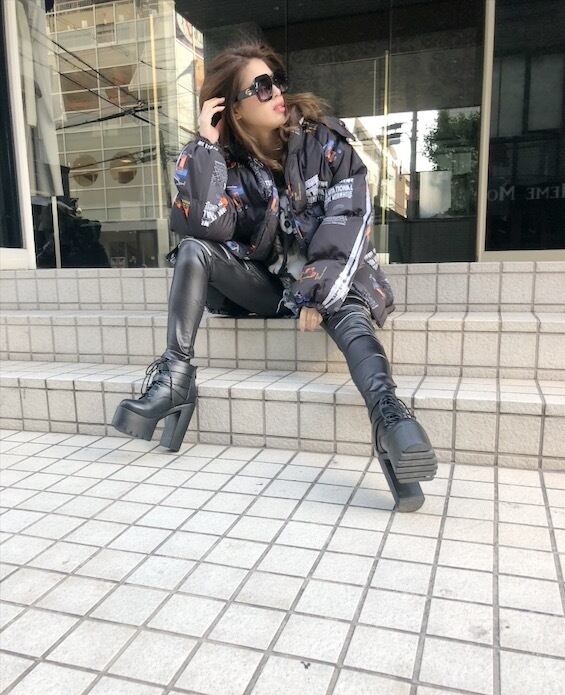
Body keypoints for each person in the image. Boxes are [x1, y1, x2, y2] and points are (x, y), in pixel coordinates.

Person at [111, 41, 437, 497]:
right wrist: (204, 146)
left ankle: (390, 418)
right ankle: (175, 377)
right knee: (193, 250)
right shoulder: (228, 165)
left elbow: (349, 217)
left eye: (275, 81)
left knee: (350, 316)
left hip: (334, 276)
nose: (277, 92)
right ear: (234, 109)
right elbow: (203, 224)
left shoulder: (323, 140)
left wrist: (317, 292)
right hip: (272, 287)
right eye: (261, 87)